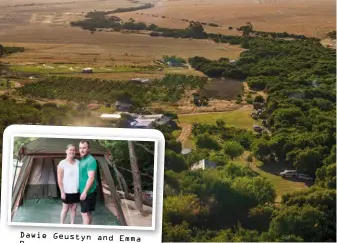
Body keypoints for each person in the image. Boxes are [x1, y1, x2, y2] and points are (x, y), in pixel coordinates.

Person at [57, 144, 80, 224]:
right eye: (70, 150)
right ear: (66, 151)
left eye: (74, 150)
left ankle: (72, 224)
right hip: (66, 190)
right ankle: (62, 224)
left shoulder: (78, 162)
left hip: (76, 190)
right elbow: (59, 179)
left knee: (73, 208)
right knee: (65, 209)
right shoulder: (62, 163)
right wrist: (62, 191)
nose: (72, 151)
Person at [78, 140, 97, 225]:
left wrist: (85, 192)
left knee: (84, 213)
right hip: (83, 191)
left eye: (84, 148)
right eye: (80, 148)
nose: (82, 150)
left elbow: (91, 178)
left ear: (88, 149)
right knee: (88, 213)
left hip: (88, 192)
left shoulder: (91, 160)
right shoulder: (82, 160)